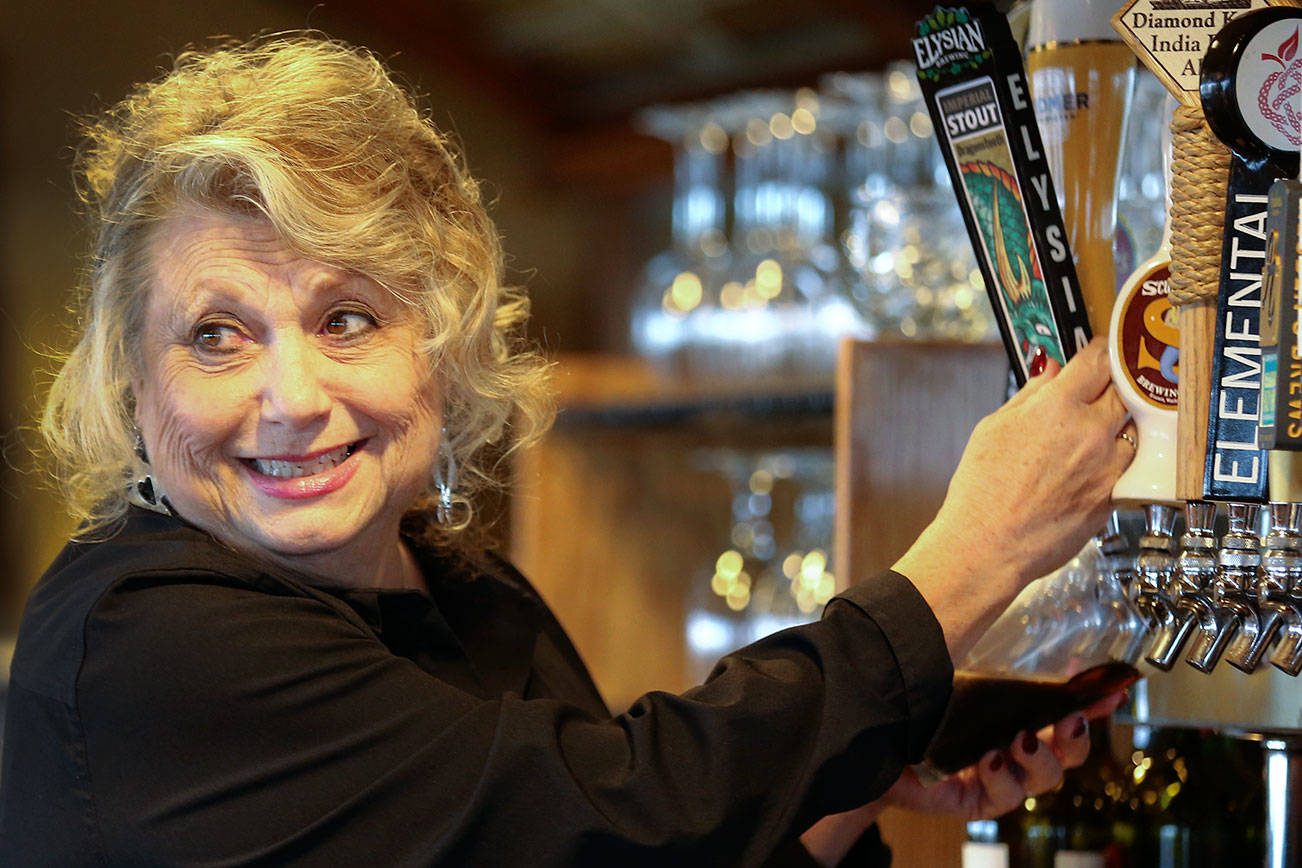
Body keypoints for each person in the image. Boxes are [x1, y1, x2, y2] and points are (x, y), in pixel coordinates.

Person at [0, 35, 1135, 867]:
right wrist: (981, 548)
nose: (291, 398)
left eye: (348, 318)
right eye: (216, 335)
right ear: (132, 386)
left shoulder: (461, 590)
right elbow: (619, 814)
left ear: (440, 348)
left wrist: (855, 782)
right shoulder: (147, 644)